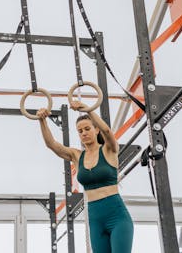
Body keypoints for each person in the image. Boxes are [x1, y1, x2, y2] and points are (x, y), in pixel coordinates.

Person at [36, 100, 134, 253]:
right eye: (80, 131)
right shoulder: (77, 156)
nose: (84, 133)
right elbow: (52, 145)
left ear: (96, 130)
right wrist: (42, 120)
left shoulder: (109, 149)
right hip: (95, 219)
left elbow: (107, 131)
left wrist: (87, 109)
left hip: (117, 217)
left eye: (87, 128)